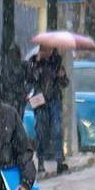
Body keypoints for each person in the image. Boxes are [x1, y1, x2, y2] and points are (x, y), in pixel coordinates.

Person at [28, 46, 70, 175]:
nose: (45, 52)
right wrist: (36, 64)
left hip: (54, 99)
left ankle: (59, 161)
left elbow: (65, 83)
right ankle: (40, 161)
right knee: (41, 130)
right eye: (43, 50)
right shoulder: (34, 62)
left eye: (48, 50)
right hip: (40, 101)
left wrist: (61, 77)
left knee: (57, 130)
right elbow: (30, 79)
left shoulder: (57, 62)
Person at [0, 43, 31, 122]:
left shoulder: (23, 66)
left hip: (16, 101)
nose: (13, 57)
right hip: (8, 101)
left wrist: (26, 93)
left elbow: (31, 79)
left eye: (15, 54)